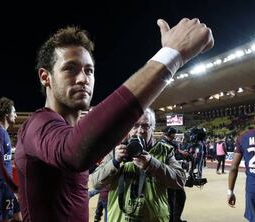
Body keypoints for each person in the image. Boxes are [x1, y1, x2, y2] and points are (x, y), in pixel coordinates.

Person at [14, 18, 213, 222]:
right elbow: (73, 153)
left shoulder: (76, 133)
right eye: (70, 69)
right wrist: (172, 55)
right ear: (45, 77)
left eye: (88, 70)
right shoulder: (37, 124)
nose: (83, 79)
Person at [91, 109, 186, 222]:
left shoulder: (164, 151)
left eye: (145, 126)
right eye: (135, 125)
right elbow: (96, 182)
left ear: (152, 128)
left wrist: (152, 163)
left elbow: (180, 180)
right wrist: (115, 162)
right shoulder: (116, 150)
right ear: (129, 128)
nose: (140, 131)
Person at [161, 126, 187, 222]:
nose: (174, 136)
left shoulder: (172, 144)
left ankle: (176, 219)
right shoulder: (162, 144)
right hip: (167, 175)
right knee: (171, 201)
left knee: (180, 197)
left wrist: (183, 155)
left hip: (173, 174)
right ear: (167, 134)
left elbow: (175, 156)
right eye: (173, 134)